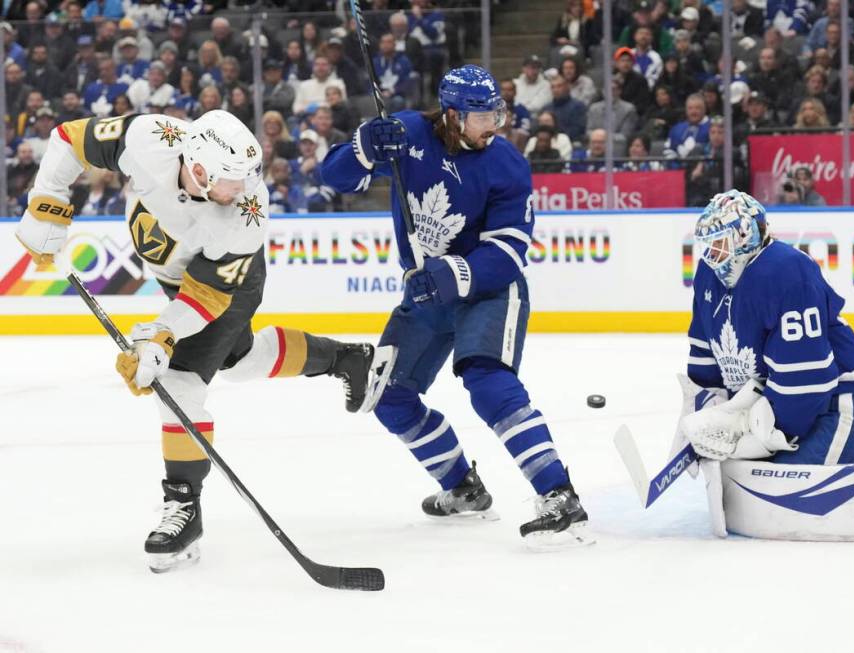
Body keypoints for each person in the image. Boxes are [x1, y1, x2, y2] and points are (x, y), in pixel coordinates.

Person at [14, 110, 393, 574]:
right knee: (238, 358)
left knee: (178, 382)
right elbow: (68, 138)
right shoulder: (148, 139)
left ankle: (184, 506)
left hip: (222, 287)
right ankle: (345, 359)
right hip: (178, 275)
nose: (245, 190)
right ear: (197, 169)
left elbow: (208, 295)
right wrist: (46, 199)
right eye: (232, 182)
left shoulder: (244, 217)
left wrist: (162, 335)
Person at [319, 65, 594, 549]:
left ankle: (558, 494)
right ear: (451, 114)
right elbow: (335, 177)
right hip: (426, 295)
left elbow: (510, 249)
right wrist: (363, 147)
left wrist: (452, 274)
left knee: (487, 381)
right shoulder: (408, 134)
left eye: (497, 112)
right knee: (389, 396)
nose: (495, 124)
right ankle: (462, 488)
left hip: (487, 291)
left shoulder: (506, 164)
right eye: (484, 115)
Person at [672, 190, 854, 544]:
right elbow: (705, 351)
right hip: (771, 401)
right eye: (708, 246)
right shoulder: (708, 273)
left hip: (834, 404)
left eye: (720, 244)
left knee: (784, 503)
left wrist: (758, 440)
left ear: (744, 237)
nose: (712, 255)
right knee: (746, 491)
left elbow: (807, 382)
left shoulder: (786, 271)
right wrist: (705, 412)